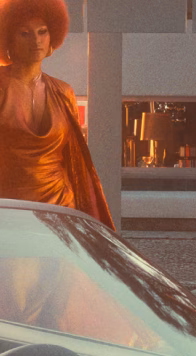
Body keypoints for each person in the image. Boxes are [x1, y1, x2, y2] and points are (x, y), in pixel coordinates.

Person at [0, 0, 113, 228]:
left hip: (61, 209)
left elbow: (74, 160)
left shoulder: (63, 92)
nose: (36, 40)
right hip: (10, 211)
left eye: (42, 32)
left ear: (53, 36)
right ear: (8, 39)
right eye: (25, 33)